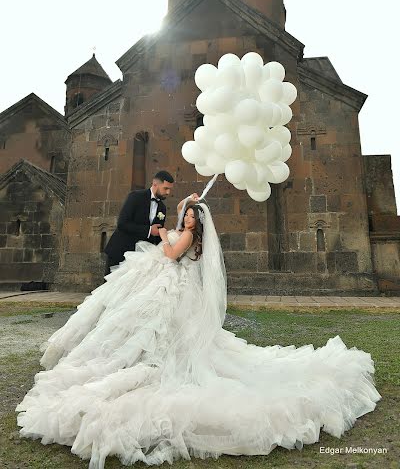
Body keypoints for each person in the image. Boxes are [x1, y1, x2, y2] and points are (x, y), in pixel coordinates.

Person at [15, 195, 381, 469]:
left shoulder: (189, 239)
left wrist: (166, 233)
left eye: (191, 216)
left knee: (165, 336)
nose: (187, 218)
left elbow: (172, 255)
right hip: (173, 291)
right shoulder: (187, 229)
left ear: (199, 223)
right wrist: (181, 208)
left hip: (175, 291)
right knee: (154, 332)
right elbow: (176, 234)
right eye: (187, 215)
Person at [104, 170, 174, 274]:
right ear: (155, 184)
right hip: (121, 250)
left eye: (170, 189)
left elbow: (158, 233)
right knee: (110, 288)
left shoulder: (162, 208)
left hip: (140, 258)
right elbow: (122, 224)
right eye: (166, 188)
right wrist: (149, 230)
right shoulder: (135, 197)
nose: (168, 192)